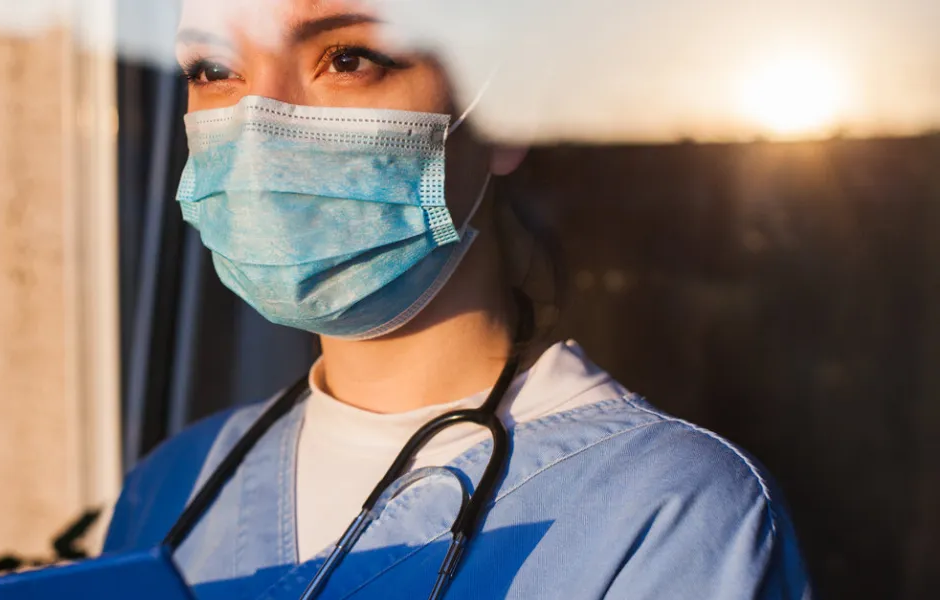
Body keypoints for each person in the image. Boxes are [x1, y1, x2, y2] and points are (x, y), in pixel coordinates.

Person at [104, 1, 812, 598]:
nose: (260, 125)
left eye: (347, 59)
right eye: (214, 71)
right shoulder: (169, 494)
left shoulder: (667, 512)